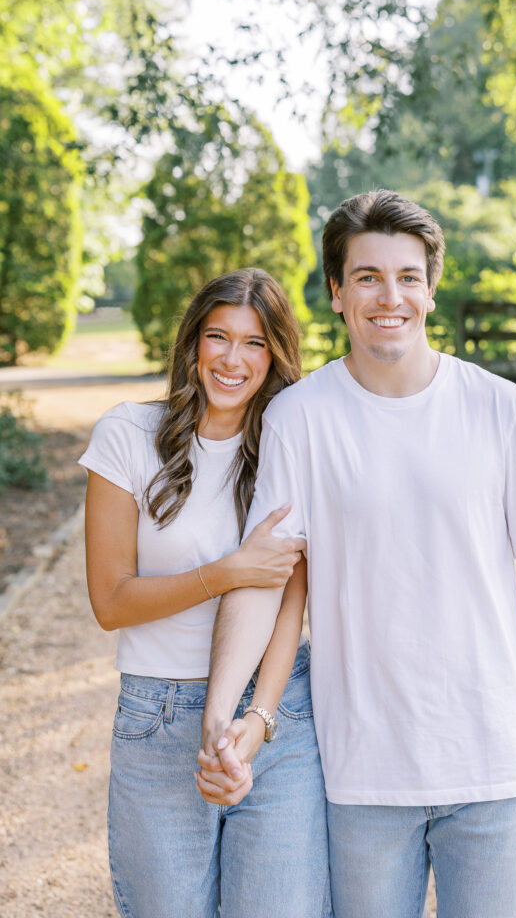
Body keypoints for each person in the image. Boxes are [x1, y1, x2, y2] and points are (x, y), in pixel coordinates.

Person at [199, 191, 516, 918]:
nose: (390, 296)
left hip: (492, 764)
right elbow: (265, 579)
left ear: (430, 290)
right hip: (362, 777)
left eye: (408, 277)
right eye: (367, 277)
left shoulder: (499, 407)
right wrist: (222, 714)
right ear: (335, 293)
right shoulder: (299, 418)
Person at [79, 269, 330, 918]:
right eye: (217, 337)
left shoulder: (289, 444)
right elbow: (110, 602)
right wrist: (229, 570)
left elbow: (289, 602)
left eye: (253, 343)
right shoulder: (127, 436)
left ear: (275, 355)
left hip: (278, 713)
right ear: (192, 344)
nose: (231, 358)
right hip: (158, 713)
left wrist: (258, 717)